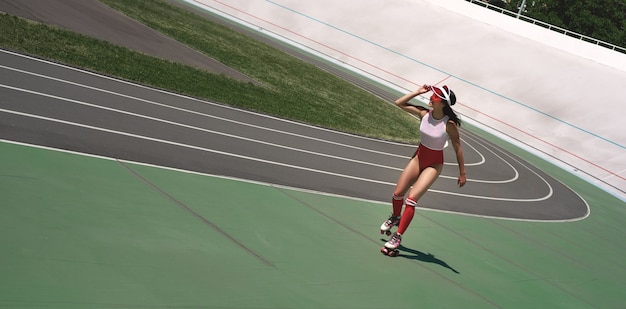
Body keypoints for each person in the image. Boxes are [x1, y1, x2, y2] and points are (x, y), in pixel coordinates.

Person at [380, 84, 466, 251]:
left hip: (433, 165)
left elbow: (458, 147)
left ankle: (398, 236)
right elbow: (399, 102)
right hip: (418, 158)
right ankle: (395, 217)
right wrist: (417, 92)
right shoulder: (423, 113)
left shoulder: (449, 124)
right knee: (397, 194)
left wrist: (462, 172)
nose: (430, 98)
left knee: (411, 200)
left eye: (433, 96)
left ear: (442, 102)